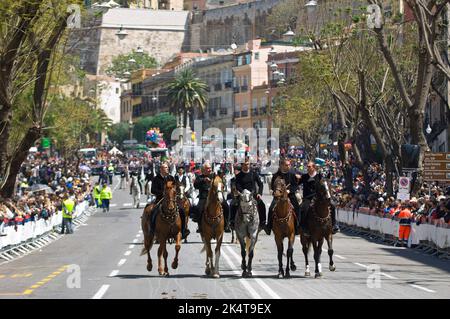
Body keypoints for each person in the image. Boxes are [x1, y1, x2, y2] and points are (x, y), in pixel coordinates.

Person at [298, 161, 340, 236]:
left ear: (314, 167)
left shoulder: (319, 176)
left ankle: (334, 225)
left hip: (318, 198)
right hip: (307, 198)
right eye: (307, 166)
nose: (308, 168)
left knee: (332, 206)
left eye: (309, 166)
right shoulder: (304, 176)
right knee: (303, 208)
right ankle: (303, 227)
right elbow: (297, 184)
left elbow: (324, 186)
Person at [149, 162, 188, 238]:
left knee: (182, 211)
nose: (167, 169)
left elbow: (176, 187)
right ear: (161, 169)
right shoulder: (156, 178)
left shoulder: (171, 178)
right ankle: (152, 230)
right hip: (160, 199)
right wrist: (163, 193)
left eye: (167, 167)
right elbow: (153, 190)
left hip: (171, 200)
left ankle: (183, 230)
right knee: (153, 212)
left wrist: (176, 193)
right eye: (165, 168)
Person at [264, 158, 301, 235]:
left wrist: (289, 190)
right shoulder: (276, 174)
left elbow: (295, 185)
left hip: (290, 195)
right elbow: (273, 185)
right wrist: (274, 191)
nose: (288, 166)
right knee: (271, 208)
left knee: (297, 207)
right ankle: (269, 227)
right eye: (286, 165)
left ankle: (297, 226)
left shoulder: (292, 174)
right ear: (282, 165)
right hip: (279, 196)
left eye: (289, 165)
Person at [231, 159, 265, 231]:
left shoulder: (254, 174)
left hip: (253, 195)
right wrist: (242, 192)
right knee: (233, 204)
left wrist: (259, 193)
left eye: (248, 164)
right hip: (242, 195)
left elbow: (260, 184)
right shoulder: (239, 175)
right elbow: (238, 185)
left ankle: (263, 223)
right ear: (242, 165)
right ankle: (232, 222)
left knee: (262, 205)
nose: (247, 166)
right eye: (245, 164)